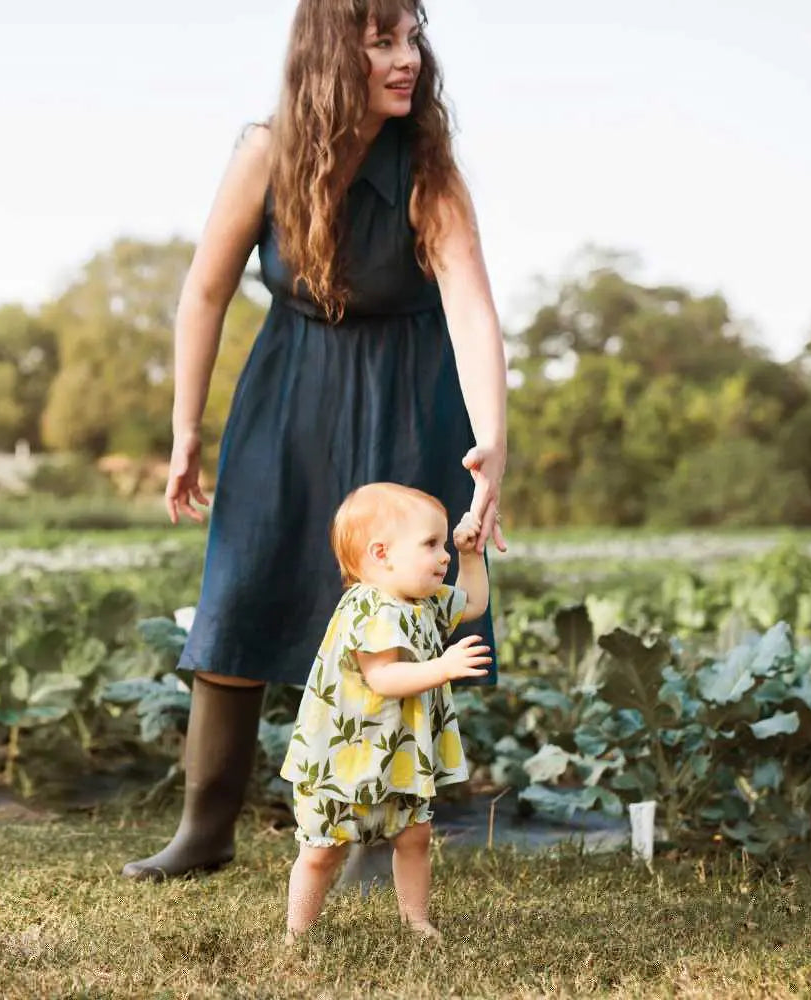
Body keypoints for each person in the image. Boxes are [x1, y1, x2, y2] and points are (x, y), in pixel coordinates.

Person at [121, 0, 507, 883]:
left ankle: (382, 831)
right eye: (383, 41)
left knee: (398, 612)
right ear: (335, 52)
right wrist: (185, 431)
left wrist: (494, 445)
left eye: (413, 37)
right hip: (289, 394)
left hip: (410, 397)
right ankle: (203, 831)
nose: (407, 57)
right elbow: (205, 292)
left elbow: (474, 311)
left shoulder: (430, 172)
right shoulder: (266, 150)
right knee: (243, 589)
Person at [282, 483, 492, 943]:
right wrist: (442, 667)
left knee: (415, 838)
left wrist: (472, 555)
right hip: (345, 760)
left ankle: (415, 919)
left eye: (444, 546)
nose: (444, 558)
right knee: (321, 852)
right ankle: (298, 931)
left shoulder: (422, 601)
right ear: (382, 554)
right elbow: (384, 679)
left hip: (398, 757)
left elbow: (474, 603)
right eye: (431, 545)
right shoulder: (371, 608)